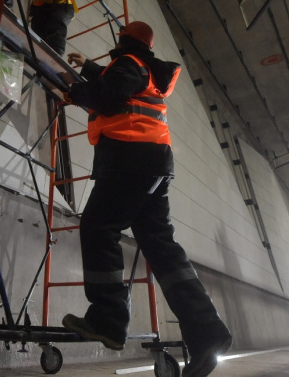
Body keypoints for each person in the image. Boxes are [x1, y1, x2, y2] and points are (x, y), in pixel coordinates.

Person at [59, 21, 232, 377]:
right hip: (154, 164)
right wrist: (89, 68)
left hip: (129, 158)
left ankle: (108, 319)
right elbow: (116, 83)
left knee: (99, 226)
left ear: (125, 41)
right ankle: (207, 332)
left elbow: (109, 95)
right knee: (160, 246)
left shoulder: (128, 63)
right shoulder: (145, 69)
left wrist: (74, 91)